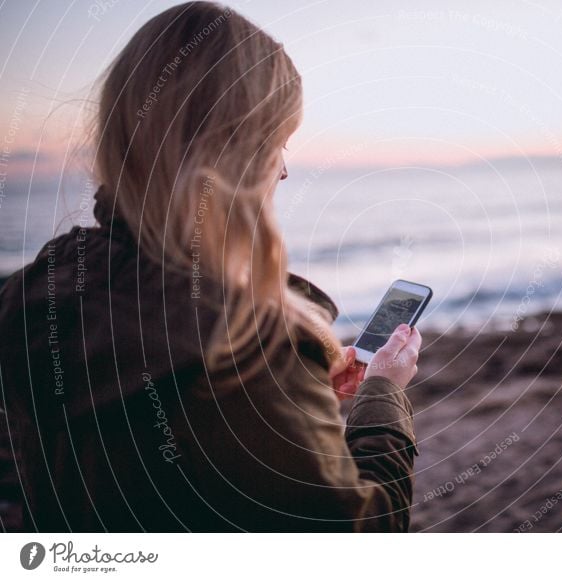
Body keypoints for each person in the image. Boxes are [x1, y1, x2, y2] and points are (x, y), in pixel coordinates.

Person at [0, 1, 421, 532]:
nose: (285, 170)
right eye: (278, 142)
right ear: (233, 152)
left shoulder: (38, 291)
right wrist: (384, 391)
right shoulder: (244, 348)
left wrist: (300, 381)